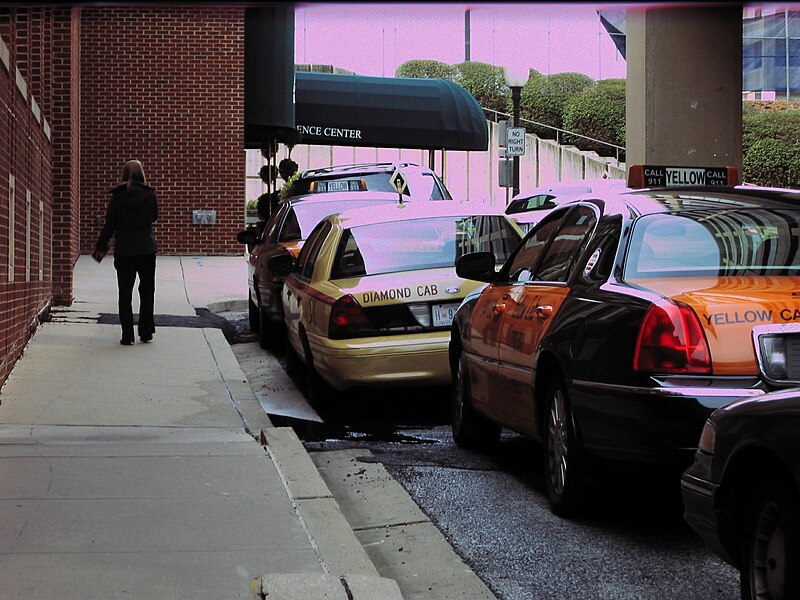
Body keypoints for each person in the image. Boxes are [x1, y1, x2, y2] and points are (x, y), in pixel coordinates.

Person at [91, 160, 158, 346]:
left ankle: (127, 335)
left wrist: (100, 247)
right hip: (146, 249)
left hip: (125, 251)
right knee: (147, 292)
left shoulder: (117, 197)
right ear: (141, 174)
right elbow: (154, 217)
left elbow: (109, 226)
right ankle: (145, 332)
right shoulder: (150, 195)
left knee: (125, 293)